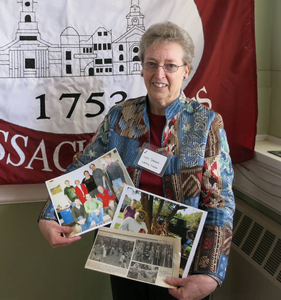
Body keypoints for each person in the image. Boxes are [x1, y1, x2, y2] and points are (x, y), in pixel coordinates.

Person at [38, 21, 235, 300]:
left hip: (183, 265)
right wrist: (49, 215)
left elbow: (219, 201)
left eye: (170, 65)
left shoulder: (206, 125)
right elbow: (84, 167)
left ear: (186, 71)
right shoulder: (120, 116)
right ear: (141, 67)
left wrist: (210, 273)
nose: (159, 74)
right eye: (151, 63)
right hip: (123, 255)